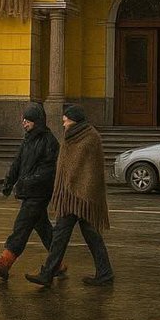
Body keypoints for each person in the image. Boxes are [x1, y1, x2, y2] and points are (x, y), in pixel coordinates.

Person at [26, 104, 114, 287]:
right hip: (71, 196)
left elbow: (91, 171)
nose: (64, 124)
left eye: (65, 120)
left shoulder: (90, 138)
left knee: (74, 236)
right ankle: (103, 272)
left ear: (74, 120)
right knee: (68, 236)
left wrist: (79, 189)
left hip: (83, 197)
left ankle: (48, 273)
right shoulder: (72, 136)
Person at [0, 102, 63, 282]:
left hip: (39, 193)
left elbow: (49, 171)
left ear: (37, 121)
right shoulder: (28, 139)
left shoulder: (49, 142)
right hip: (29, 191)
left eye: (28, 121)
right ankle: (58, 263)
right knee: (43, 228)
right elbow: (17, 163)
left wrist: (25, 182)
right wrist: (8, 182)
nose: (24, 123)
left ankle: (5, 262)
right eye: (23, 120)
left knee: (22, 226)